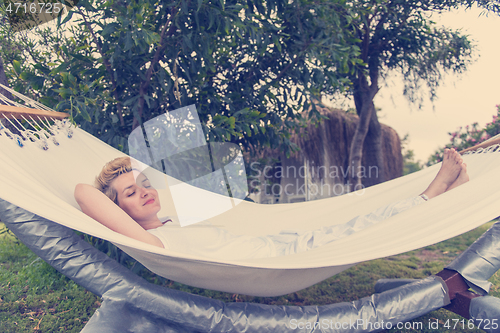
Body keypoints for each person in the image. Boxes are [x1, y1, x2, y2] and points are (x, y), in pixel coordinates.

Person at [74, 149, 469, 259]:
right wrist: (108, 181)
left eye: (143, 183)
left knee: (359, 217)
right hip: (287, 258)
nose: (143, 191)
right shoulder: (152, 243)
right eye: (130, 193)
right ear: (120, 212)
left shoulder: (171, 226)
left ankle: (440, 195)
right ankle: (431, 195)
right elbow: (82, 192)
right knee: (366, 224)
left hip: (286, 242)